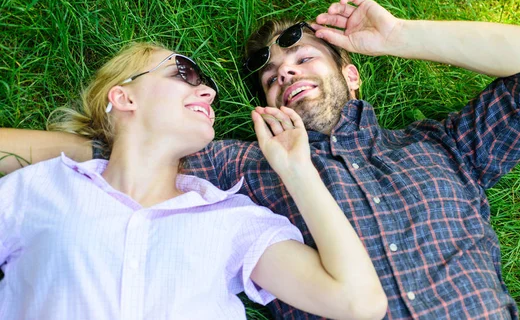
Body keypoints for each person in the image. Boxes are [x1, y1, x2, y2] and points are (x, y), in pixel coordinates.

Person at [0, 0, 520, 319]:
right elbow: (119, 151)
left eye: (304, 59)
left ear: (351, 75)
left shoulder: (445, 149)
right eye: (273, 76)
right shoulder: (245, 166)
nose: (286, 74)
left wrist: (402, 37)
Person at [0, 42, 387, 320]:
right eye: (183, 72)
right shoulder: (43, 187)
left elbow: (359, 303)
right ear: (124, 97)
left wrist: (297, 169)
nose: (208, 91)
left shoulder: (234, 220)